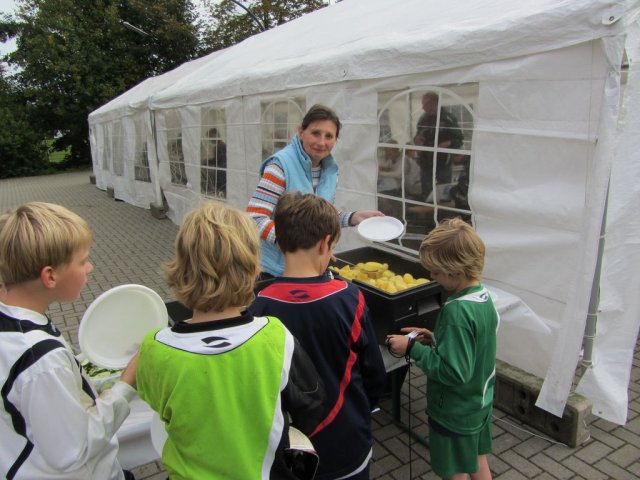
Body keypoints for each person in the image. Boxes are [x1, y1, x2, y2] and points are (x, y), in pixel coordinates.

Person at [136, 201, 326, 480]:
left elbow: (156, 404)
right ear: (252, 267)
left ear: (182, 266)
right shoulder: (275, 337)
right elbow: (311, 404)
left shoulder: (155, 347)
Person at [250, 192, 387, 480]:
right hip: (347, 442)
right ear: (325, 243)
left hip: (289, 450)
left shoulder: (260, 304)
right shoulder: (350, 298)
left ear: (280, 241)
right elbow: (374, 373)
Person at [0, 202, 137, 480]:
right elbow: (75, 449)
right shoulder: (42, 361)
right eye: (83, 261)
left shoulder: (13, 325)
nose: (90, 267)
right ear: (50, 276)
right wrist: (127, 382)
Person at [386, 218, 499, 480]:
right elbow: (472, 345)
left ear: (455, 272)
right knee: (476, 459)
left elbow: (453, 372)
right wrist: (437, 339)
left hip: (454, 412)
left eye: (436, 272)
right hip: (479, 403)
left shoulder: (456, 312)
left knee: (455, 470)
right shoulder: (484, 298)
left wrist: (412, 348)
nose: (431, 277)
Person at [247, 104, 383, 278]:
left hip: (310, 270)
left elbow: (318, 217)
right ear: (301, 132)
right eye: (316, 133)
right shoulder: (280, 166)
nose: (321, 142)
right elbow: (254, 218)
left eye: (329, 136)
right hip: (274, 271)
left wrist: (353, 217)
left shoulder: (330, 171)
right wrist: (295, 244)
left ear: (336, 140)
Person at [413, 92, 464, 200]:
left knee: (444, 190)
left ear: (434, 103)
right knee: (426, 191)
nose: (423, 107)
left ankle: (443, 209)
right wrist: (417, 140)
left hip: (443, 162)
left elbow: (459, 139)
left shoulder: (448, 119)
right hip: (426, 161)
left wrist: (448, 143)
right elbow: (417, 136)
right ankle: (426, 209)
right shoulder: (423, 119)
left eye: (425, 104)